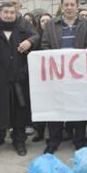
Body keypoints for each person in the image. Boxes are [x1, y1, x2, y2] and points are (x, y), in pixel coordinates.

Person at [0, 3, 38, 159]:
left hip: (18, 81)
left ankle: (19, 141)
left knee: (19, 114)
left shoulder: (24, 31)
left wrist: (30, 41)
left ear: (16, 14)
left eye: (12, 12)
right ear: (0, 13)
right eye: (6, 12)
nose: (9, 15)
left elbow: (38, 37)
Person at [41, 0, 87, 154]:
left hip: (79, 75)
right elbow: (44, 45)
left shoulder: (86, 24)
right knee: (56, 108)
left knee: (79, 108)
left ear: (77, 6)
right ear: (62, 6)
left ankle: (80, 140)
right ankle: (53, 141)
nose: (69, 7)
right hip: (58, 74)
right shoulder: (50, 25)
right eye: (66, 4)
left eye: (72, 4)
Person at [32, 13, 53, 142]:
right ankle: (38, 132)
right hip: (39, 78)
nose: (44, 22)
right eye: (42, 20)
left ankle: (52, 134)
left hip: (53, 76)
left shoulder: (54, 34)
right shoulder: (35, 36)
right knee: (40, 106)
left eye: (47, 20)